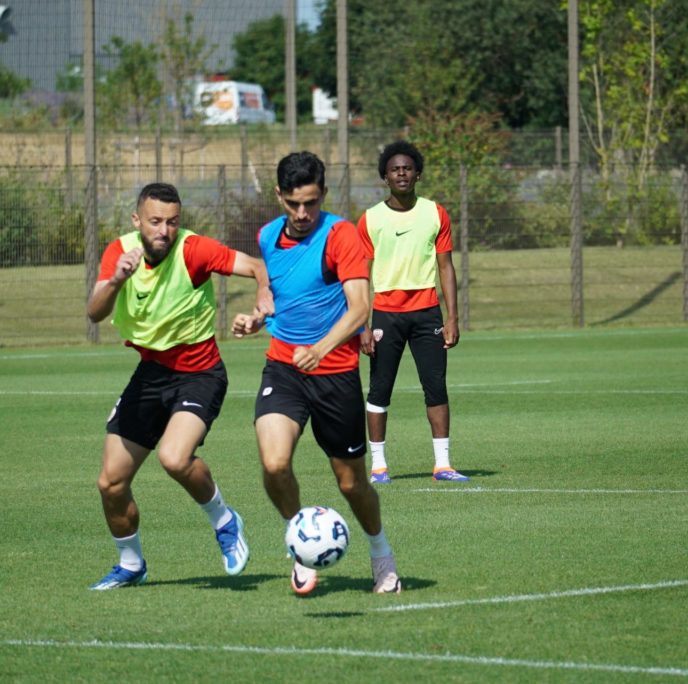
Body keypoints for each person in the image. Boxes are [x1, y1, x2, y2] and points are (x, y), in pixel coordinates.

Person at [86, 182, 273, 590]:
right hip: (150, 375)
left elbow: (258, 266)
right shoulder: (119, 253)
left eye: (172, 222)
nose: (164, 230)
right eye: (155, 221)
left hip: (199, 372)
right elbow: (94, 311)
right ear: (137, 221)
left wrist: (262, 298)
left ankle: (225, 521)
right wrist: (117, 280)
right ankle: (131, 564)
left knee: (173, 457)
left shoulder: (195, 250)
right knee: (110, 482)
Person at [231, 152, 402, 596]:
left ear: (323, 194)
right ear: (279, 197)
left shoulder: (341, 236)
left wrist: (322, 348)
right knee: (274, 464)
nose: (302, 214)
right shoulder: (268, 236)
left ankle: (381, 554)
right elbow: (278, 298)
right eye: (293, 204)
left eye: (310, 202)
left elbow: (361, 307)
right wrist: (256, 319)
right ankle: (302, 548)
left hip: (336, 374)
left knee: (351, 482)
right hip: (284, 368)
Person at [357, 140, 467, 484]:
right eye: (394, 169)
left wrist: (452, 317)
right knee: (379, 389)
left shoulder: (435, 213)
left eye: (407, 168)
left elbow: (446, 267)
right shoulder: (370, 219)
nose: (401, 173)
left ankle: (443, 464)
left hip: (427, 313)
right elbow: (360, 275)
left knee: (436, 386)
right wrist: (362, 325)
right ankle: (378, 467)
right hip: (386, 314)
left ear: (417, 173)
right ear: (385, 177)